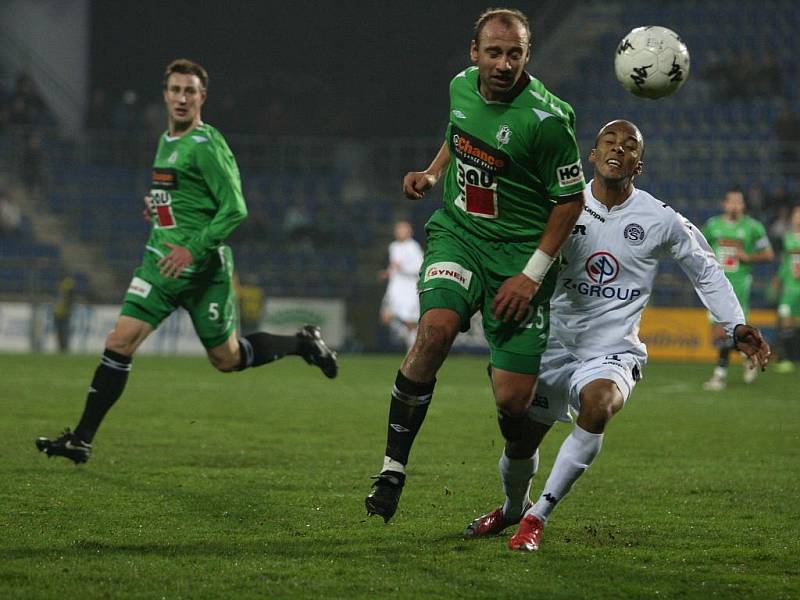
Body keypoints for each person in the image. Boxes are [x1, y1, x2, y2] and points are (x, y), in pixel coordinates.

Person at [463, 120, 771, 552]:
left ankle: (536, 518)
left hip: (612, 350)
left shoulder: (659, 219)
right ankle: (514, 507)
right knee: (520, 442)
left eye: (629, 147)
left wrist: (734, 324)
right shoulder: (561, 206)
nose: (617, 149)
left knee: (598, 404)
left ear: (638, 165)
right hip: (552, 343)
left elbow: (705, 267)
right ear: (592, 156)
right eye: (609, 142)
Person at [36, 59, 337, 464]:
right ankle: (81, 440)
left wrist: (191, 249)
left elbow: (235, 209)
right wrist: (159, 209)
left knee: (227, 359)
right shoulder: (166, 141)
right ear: (165, 94)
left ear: (202, 97)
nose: (181, 98)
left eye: (190, 91)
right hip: (159, 267)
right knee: (118, 342)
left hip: (203, 271)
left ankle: (302, 343)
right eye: (175, 90)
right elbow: (181, 198)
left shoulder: (208, 145)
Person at [364, 8, 586, 523]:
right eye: (494, 52)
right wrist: (434, 170)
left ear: (528, 55)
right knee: (434, 331)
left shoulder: (549, 121)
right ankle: (393, 468)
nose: (504, 63)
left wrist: (531, 275)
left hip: (519, 262)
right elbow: (460, 131)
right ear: (474, 54)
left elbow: (569, 203)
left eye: (514, 54)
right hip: (459, 236)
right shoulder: (460, 87)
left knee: (513, 401)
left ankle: (517, 469)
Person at [702, 188, 774, 390]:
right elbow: (697, 248)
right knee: (716, 337)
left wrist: (749, 258)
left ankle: (719, 376)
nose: (735, 205)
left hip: (739, 286)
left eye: (738, 202)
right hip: (715, 285)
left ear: (743, 205)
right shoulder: (712, 226)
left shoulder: (753, 227)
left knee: (729, 332)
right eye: (731, 202)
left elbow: (768, 254)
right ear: (725, 204)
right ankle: (748, 351)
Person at [379, 220, 424, 350]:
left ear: (410, 232)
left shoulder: (413, 247)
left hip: (408, 289)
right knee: (386, 317)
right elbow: (394, 266)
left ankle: (414, 347)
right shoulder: (393, 246)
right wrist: (387, 272)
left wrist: (403, 267)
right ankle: (411, 340)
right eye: (398, 229)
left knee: (409, 321)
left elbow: (419, 269)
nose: (400, 232)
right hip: (394, 288)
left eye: (403, 229)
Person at [774, 205, 800, 373]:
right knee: (785, 321)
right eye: (796, 215)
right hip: (790, 288)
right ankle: (786, 359)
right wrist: (779, 278)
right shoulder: (788, 238)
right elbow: (785, 262)